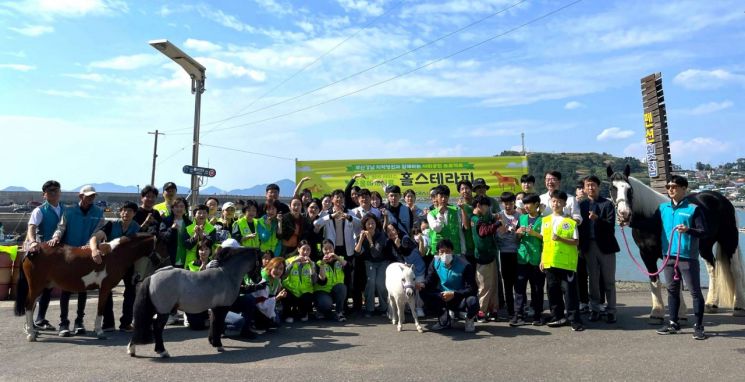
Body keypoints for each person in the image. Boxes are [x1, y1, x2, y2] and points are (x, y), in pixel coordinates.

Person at [655, 175, 707, 340]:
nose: (670, 189)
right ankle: (673, 323)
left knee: (695, 292)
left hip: (687, 258)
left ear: (684, 189)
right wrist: (627, 222)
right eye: (668, 186)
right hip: (668, 256)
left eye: (675, 186)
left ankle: (699, 327)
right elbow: (651, 225)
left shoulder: (693, 209)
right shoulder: (663, 208)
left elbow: (703, 232)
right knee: (672, 291)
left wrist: (688, 230)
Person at [50, 185, 105, 337]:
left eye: (93, 196)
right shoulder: (68, 211)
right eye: (88, 196)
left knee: (83, 289)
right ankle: (63, 323)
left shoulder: (99, 213)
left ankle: (79, 321)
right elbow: (61, 227)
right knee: (66, 289)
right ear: (80, 196)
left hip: (87, 255)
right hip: (69, 256)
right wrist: (56, 237)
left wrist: (89, 245)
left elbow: (98, 231)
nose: (91, 198)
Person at [88, 201, 140, 332]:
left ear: (134, 213)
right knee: (106, 291)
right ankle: (108, 323)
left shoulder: (137, 228)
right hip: (110, 265)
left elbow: (129, 242)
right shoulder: (112, 224)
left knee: (130, 292)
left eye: (129, 211)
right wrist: (94, 249)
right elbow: (95, 237)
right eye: (123, 210)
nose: (125, 213)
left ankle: (126, 323)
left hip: (129, 265)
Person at [541, 190, 584, 332]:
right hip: (550, 262)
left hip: (567, 263)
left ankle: (574, 319)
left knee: (570, 292)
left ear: (565, 203)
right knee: (553, 291)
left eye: (559, 201)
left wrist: (560, 239)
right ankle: (557, 316)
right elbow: (545, 242)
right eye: (554, 201)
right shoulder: (545, 221)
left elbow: (576, 241)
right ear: (550, 202)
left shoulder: (570, 222)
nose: (556, 203)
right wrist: (542, 259)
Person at [579, 175, 620, 324]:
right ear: (584, 188)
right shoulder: (582, 205)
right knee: (593, 281)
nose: (591, 188)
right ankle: (595, 309)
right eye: (588, 185)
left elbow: (611, 227)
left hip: (606, 247)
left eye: (593, 185)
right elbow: (580, 228)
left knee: (609, 281)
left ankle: (611, 310)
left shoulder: (607, 204)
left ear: (598, 187)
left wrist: (598, 219)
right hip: (589, 247)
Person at [24, 180, 64, 332]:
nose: (54, 193)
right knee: (36, 289)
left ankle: (40, 318)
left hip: (60, 255)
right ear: (44, 195)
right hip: (42, 254)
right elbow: (31, 227)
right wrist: (33, 241)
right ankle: (30, 320)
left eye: (56, 190)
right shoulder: (39, 210)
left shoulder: (65, 210)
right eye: (50, 191)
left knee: (48, 288)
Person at [423, 239, 479, 332]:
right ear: (438, 253)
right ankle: (444, 317)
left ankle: (469, 319)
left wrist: (454, 294)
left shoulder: (464, 264)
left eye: (448, 251)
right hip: (442, 296)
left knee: (473, 301)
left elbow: (472, 288)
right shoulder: (435, 262)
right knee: (423, 290)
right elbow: (430, 280)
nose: (445, 255)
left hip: (459, 297)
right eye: (442, 252)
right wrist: (422, 284)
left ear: (453, 251)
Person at [514, 193, 546, 326]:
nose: (526, 206)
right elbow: (516, 239)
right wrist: (518, 234)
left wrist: (535, 234)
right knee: (520, 288)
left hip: (537, 259)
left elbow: (547, 239)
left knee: (537, 288)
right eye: (524, 203)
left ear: (536, 204)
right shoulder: (521, 218)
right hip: (522, 258)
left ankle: (537, 316)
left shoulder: (545, 220)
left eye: (529, 203)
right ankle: (518, 315)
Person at [383, 223, 426, 317]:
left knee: (417, 285)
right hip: (404, 269)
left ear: (397, 230)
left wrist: (399, 246)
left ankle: (418, 307)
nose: (391, 232)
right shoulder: (388, 243)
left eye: (393, 229)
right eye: (388, 231)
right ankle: (397, 308)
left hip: (417, 268)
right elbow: (390, 258)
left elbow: (406, 252)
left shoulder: (405, 238)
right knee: (401, 285)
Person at [470, 196, 500, 322]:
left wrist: (494, 219)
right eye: (486, 206)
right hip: (483, 257)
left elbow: (489, 220)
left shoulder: (482, 217)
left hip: (490, 255)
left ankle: (493, 310)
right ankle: (481, 311)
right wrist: (498, 223)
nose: (488, 209)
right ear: (479, 206)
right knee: (484, 286)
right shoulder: (476, 219)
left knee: (493, 285)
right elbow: (484, 231)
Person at [355, 214, 390, 317]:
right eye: (368, 223)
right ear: (365, 225)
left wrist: (370, 240)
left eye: (373, 223)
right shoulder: (361, 235)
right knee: (370, 283)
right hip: (369, 262)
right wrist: (361, 239)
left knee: (380, 284)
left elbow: (375, 253)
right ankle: (369, 308)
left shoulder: (381, 235)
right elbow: (357, 252)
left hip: (382, 262)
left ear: (376, 224)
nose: (371, 226)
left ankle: (384, 307)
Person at [496, 192, 521, 320]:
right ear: (502, 204)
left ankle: (519, 310)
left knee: (519, 283)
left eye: (511, 203)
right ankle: (510, 310)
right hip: (504, 253)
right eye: (506, 203)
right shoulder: (499, 216)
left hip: (517, 253)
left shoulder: (520, 215)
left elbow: (521, 235)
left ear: (514, 203)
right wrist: (504, 230)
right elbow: (498, 235)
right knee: (507, 283)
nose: (508, 206)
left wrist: (517, 234)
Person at [426, 185, 467, 258]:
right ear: (436, 197)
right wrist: (440, 214)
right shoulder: (431, 214)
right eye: (441, 196)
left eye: (446, 197)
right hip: (439, 252)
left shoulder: (455, 211)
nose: (443, 199)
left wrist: (463, 249)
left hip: (455, 250)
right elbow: (437, 228)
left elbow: (460, 231)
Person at [283, 241, 317, 323]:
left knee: (307, 297)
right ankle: (288, 314)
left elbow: (314, 281)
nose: (305, 252)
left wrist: (312, 267)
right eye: (303, 249)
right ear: (298, 249)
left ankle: (303, 313)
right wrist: (293, 262)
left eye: (308, 250)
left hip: (305, 292)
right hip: (291, 290)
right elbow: (283, 275)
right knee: (285, 294)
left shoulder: (312, 263)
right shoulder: (289, 261)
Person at [314, 239, 348, 322]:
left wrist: (337, 257)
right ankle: (322, 311)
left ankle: (339, 312)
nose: (328, 251)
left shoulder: (341, 259)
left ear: (334, 248)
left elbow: (349, 269)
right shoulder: (318, 263)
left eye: (330, 248)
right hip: (323, 291)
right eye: (325, 249)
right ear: (322, 250)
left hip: (336, 290)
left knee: (342, 287)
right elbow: (322, 281)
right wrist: (322, 264)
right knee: (326, 303)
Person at [183, 204, 217, 272]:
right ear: (194, 215)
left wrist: (202, 235)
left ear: (207, 215)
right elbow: (187, 246)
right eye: (199, 213)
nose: (202, 215)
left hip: (206, 261)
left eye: (204, 213)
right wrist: (195, 235)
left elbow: (211, 243)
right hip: (191, 263)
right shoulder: (188, 228)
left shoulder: (212, 228)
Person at [159, 197, 191, 268]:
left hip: (185, 259)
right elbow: (163, 238)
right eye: (176, 206)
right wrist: (171, 229)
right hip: (169, 259)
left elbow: (191, 243)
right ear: (172, 208)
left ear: (185, 209)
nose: (179, 209)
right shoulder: (166, 221)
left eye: (182, 206)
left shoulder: (189, 223)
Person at [456, 180, 476, 264]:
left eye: (467, 188)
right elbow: (466, 226)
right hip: (467, 247)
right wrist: (462, 209)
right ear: (460, 192)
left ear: (471, 189)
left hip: (479, 247)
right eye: (462, 189)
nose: (464, 191)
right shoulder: (458, 208)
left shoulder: (478, 204)